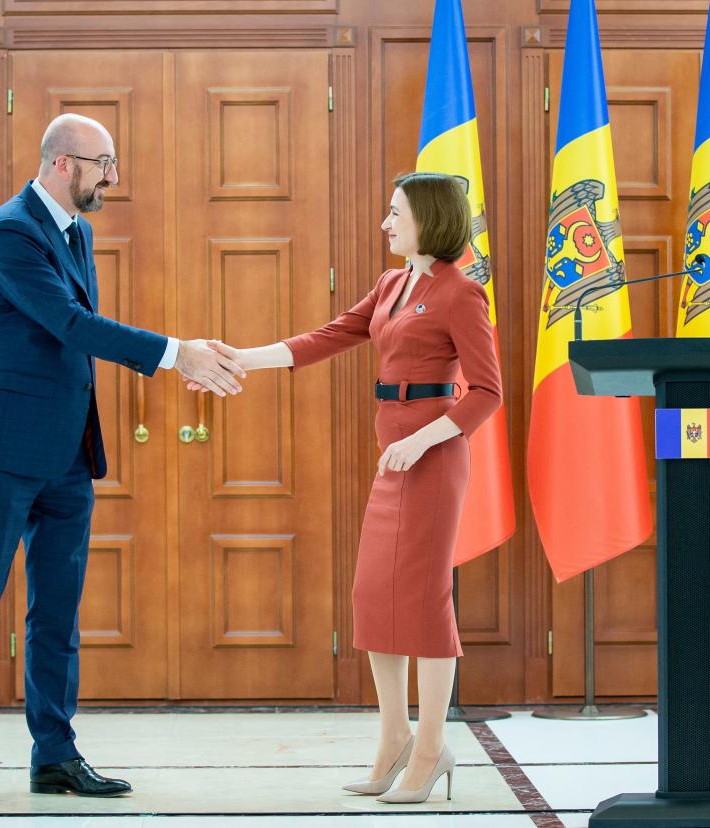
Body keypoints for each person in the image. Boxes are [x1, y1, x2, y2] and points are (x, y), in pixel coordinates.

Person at [0, 113, 245, 801]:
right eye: (103, 163)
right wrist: (179, 353)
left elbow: (71, 341)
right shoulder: (10, 233)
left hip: (65, 452)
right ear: (62, 163)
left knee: (57, 612)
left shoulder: (77, 232)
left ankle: (55, 754)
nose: (112, 178)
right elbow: (70, 323)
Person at [198, 172, 502, 804]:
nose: (387, 224)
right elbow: (329, 336)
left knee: (423, 603)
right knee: (374, 596)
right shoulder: (393, 284)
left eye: (396, 214)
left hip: (433, 461)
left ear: (430, 220)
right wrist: (238, 359)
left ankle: (431, 748)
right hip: (392, 462)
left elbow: (488, 394)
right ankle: (393, 737)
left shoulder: (460, 294)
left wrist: (422, 440)